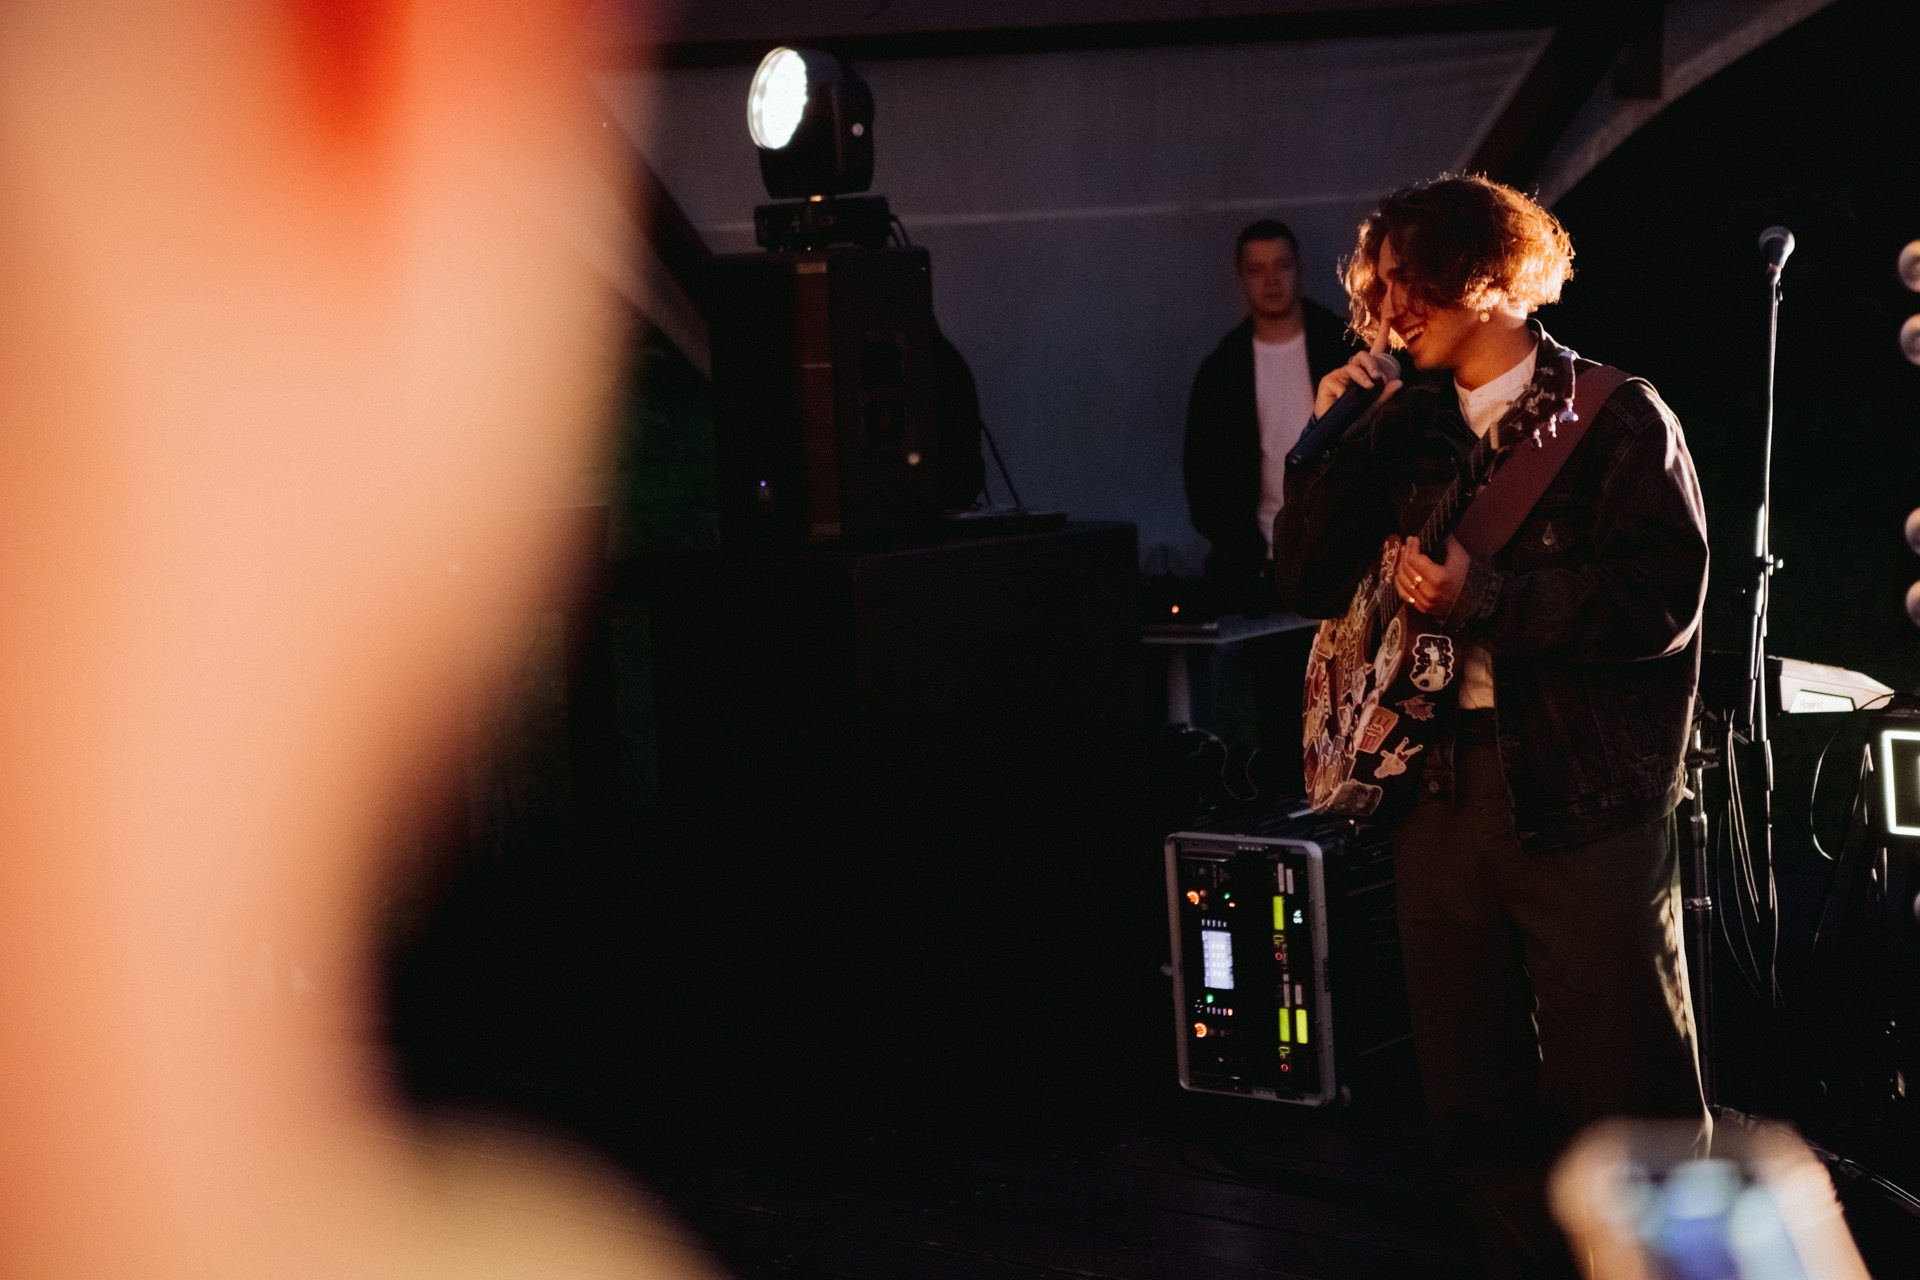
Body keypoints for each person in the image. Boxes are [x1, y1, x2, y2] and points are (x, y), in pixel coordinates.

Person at [1272, 174, 1710, 1278]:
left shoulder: (1616, 417)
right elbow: (1305, 579)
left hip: (1582, 797)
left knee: (1625, 1088)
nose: (1386, 309)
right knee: (1472, 1095)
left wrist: (1491, 601)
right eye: (1377, 287)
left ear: (1488, 276)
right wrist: (1325, 441)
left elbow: (1662, 602)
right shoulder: (1396, 422)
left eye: (1409, 281)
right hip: (1437, 794)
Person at [1184, 219, 1356, 612]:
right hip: (1255, 571)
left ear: (1299, 269)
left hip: (1344, 560)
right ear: (1241, 279)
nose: (1272, 280)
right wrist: (1238, 545)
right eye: (1257, 269)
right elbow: (1202, 481)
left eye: (1282, 265)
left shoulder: (1342, 348)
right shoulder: (1221, 372)